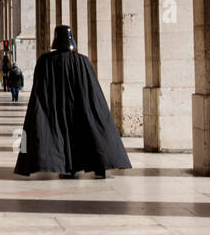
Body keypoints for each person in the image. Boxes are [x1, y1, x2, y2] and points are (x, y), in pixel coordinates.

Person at [14, 25, 130, 179]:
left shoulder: (45, 61)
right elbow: (92, 89)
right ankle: (100, 165)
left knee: (60, 136)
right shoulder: (82, 61)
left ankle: (65, 168)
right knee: (87, 132)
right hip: (79, 106)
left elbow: (39, 90)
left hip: (54, 108)